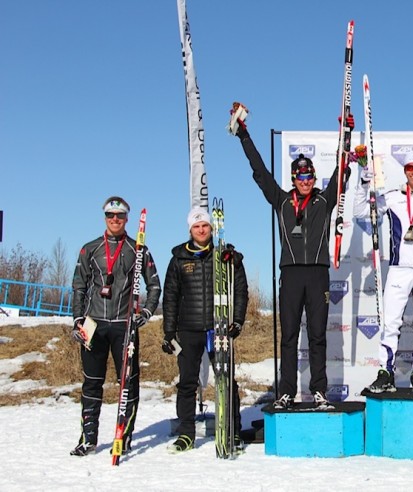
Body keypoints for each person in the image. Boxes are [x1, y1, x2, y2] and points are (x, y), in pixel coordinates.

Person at [228, 102, 350, 409]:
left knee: (318, 336)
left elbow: (342, 167)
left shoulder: (324, 200)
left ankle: (319, 390)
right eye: (300, 176)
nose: (305, 181)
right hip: (292, 274)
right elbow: (259, 172)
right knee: (289, 337)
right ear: (294, 178)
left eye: (309, 176)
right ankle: (286, 392)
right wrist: (244, 135)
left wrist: (345, 133)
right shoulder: (282, 201)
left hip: (318, 272)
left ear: (314, 178)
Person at [69, 196, 161, 456]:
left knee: (128, 383)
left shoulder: (138, 249)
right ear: (105, 217)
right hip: (93, 324)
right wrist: (77, 319)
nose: (115, 220)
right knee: (92, 383)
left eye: (120, 216)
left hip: (124, 325)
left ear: (127, 219)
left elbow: (154, 285)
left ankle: (125, 436)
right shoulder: (90, 249)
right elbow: (79, 286)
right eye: (111, 216)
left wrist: (146, 311)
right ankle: (88, 439)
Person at [355, 151, 413, 395]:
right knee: (390, 323)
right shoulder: (393, 197)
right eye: (409, 168)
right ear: (405, 171)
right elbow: (361, 212)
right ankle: (386, 372)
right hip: (398, 269)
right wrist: (363, 183)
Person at [162, 207, 248, 453]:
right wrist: (169, 332)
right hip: (188, 329)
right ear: (190, 229)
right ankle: (186, 434)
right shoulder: (179, 258)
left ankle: (232, 431)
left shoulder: (225, 255)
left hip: (218, 328)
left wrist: (238, 320)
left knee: (226, 382)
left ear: (212, 228)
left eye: (205, 226)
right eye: (197, 226)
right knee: (187, 383)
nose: (201, 230)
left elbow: (240, 290)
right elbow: (170, 297)